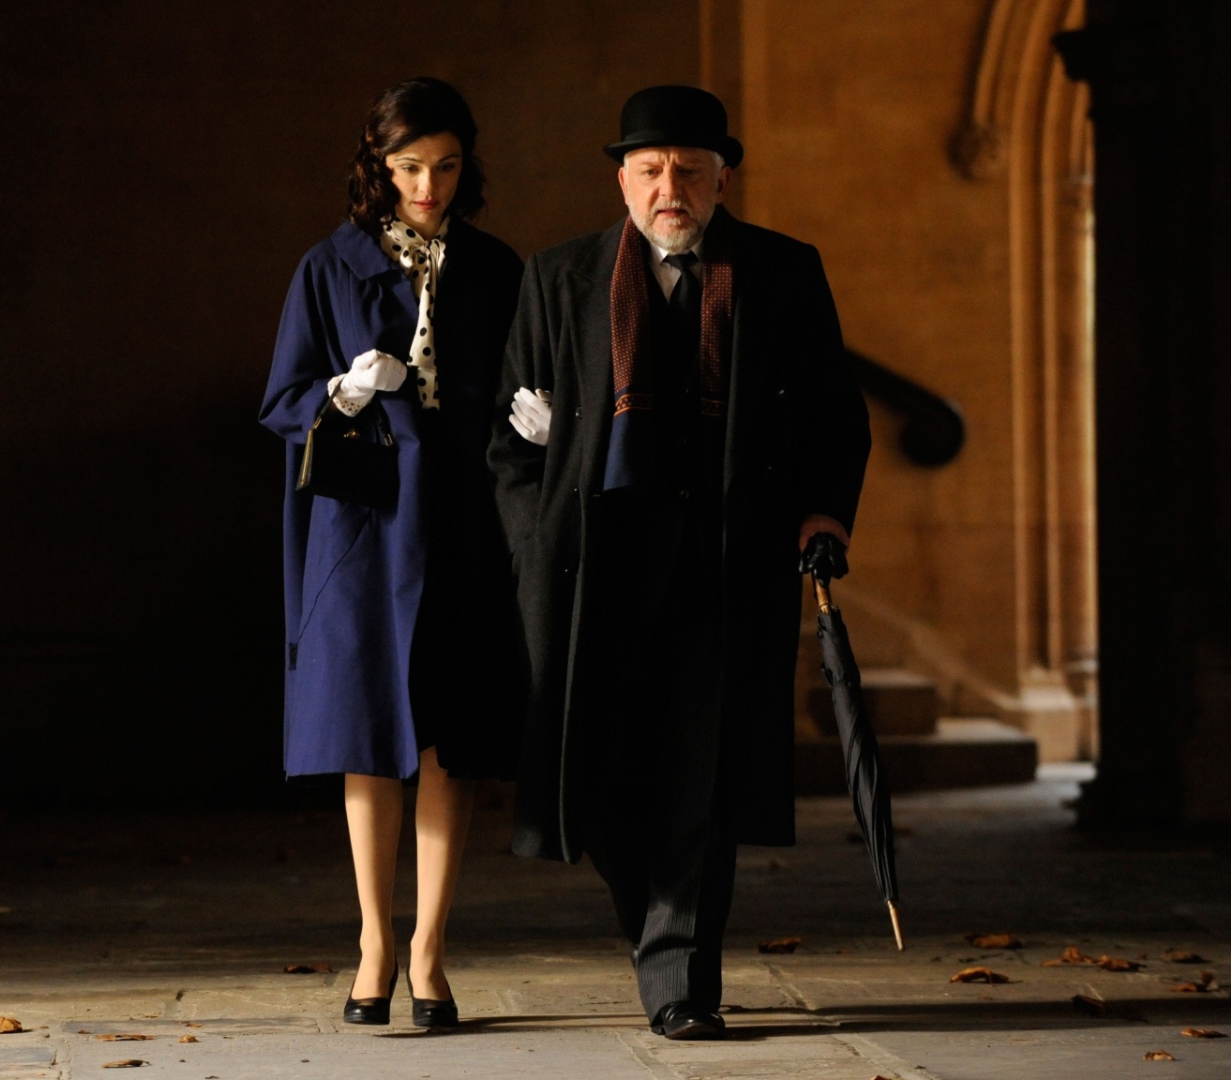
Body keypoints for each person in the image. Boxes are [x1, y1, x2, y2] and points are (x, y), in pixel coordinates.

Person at [489, 85, 870, 1041]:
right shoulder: (558, 277)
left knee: (700, 776)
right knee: (610, 777)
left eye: (690, 172)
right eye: (652, 171)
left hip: (724, 565)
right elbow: (513, 444)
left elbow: (835, 413)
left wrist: (823, 511)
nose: (671, 189)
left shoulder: (782, 273)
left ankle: (682, 980)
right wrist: (539, 545)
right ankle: (657, 944)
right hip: (595, 574)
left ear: (721, 178)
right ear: (621, 178)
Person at [259, 77, 524, 1029]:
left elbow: (525, 385)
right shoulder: (327, 269)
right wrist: (340, 392)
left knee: (450, 739)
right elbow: (281, 401)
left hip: (462, 520)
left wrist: (531, 423)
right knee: (367, 739)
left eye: (446, 166)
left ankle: (431, 949)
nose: (428, 185)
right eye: (410, 167)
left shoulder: (496, 270)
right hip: (365, 528)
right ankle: (375, 941)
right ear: (379, 165)